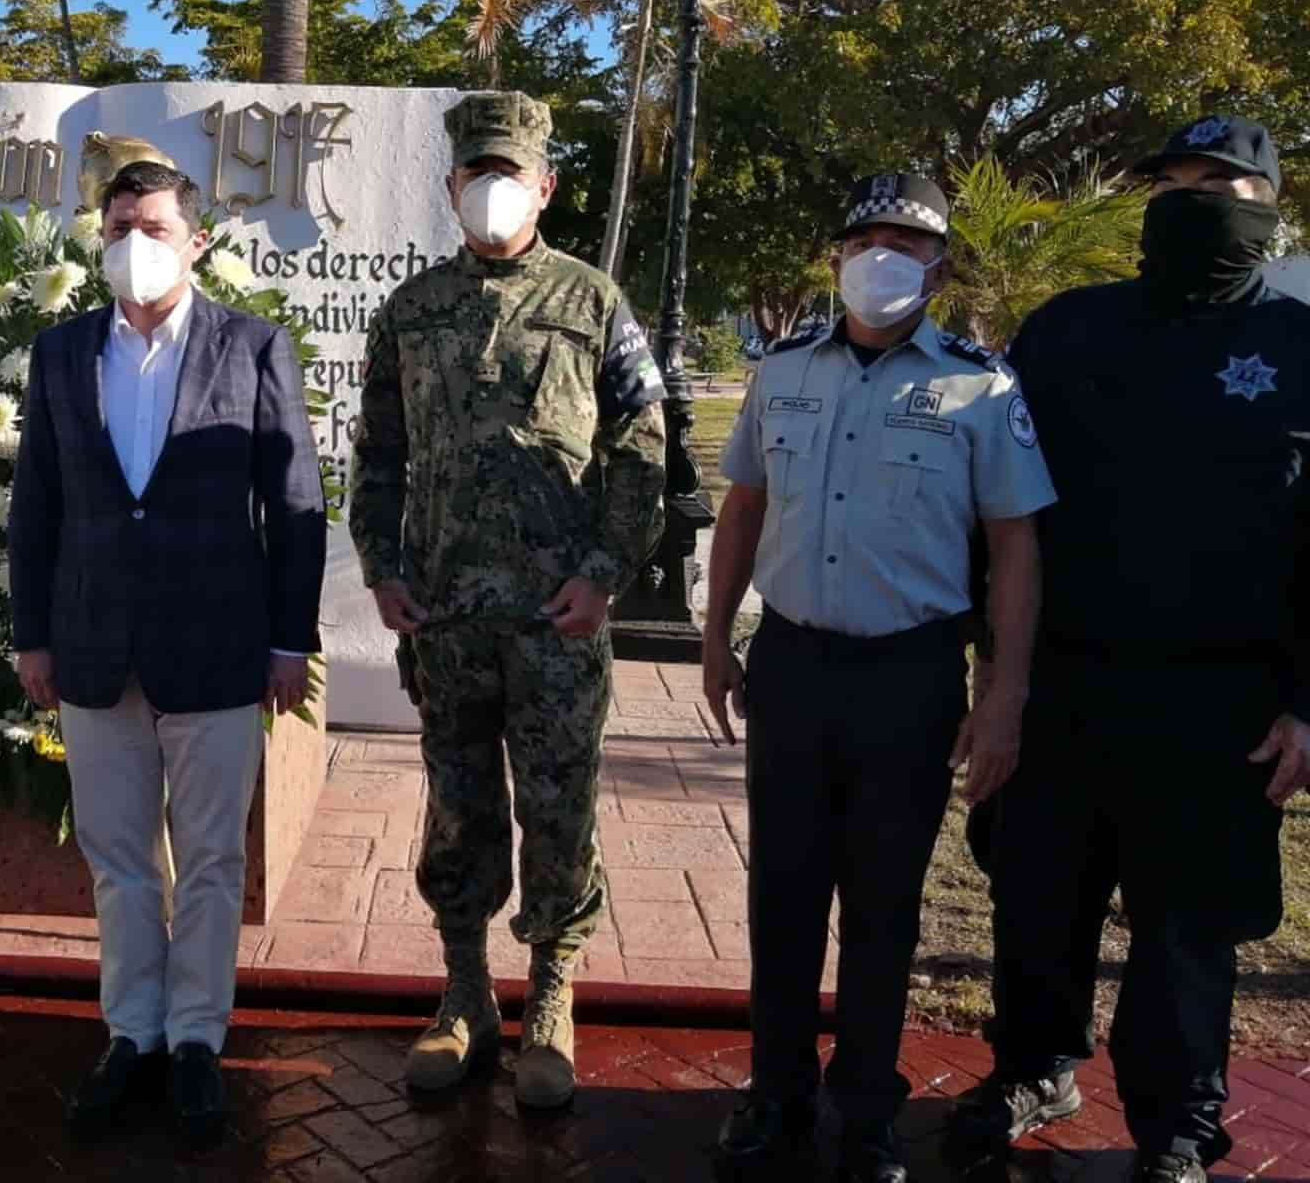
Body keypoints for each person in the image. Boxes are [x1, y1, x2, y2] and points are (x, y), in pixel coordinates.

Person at [949, 117, 1310, 1183]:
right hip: (1063, 682)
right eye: (1175, 182)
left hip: (1222, 703)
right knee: (1036, 898)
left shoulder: (1302, 348)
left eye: (1220, 184)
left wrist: (1309, 702)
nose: (1191, 200)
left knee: (1186, 934)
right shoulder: (1068, 333)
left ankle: (1180, 1126)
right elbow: (999, 519)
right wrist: (992, 676)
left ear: (1269, 204)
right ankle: (1033, 1067)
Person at [703, 174, 1056, 1183]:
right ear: (836, 258)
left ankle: (865, 1108)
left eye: (909, 242)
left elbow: (1017, 545)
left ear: (941, 269)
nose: (885, 257)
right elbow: (741, 510)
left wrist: (1005, 694)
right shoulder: (782, 372)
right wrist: (718, 636)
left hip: (910, 674)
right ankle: (776, 1095)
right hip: (793, 664)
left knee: (884, 902)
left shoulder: (978, 387)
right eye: (869, 238)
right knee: (782, 892)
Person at [349, 91, 669, 1111]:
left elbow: (642, 446)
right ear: (450, 187)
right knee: (459, 809)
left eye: (508, 173)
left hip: (556, 620)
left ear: (545, 186)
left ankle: (554, 997)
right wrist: (382, 568)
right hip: (446, 619)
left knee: (559, 810)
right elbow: (379, 452)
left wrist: (607, 571)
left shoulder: (591, 301)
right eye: (473, 173)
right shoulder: (411, 310)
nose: (490, 190)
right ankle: (464, 993)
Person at [9, 160, 327, 1151]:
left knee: (211, 861)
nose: (130, 242)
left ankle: (196, 1038)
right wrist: (32, 634)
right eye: (114, 226)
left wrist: (289, 640)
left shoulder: (253, 344)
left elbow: (296, 506)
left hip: (221, 649)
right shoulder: (60, 352)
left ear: (196, 240)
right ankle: (131, 1033)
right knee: (117, 861)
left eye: (150, 224)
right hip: (96, 647)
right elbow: (36, 506)